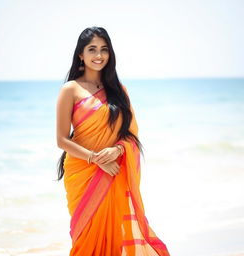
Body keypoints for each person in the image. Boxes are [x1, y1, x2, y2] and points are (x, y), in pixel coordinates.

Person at [56, 26, 171, 256]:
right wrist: (95, 158)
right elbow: (61, 140)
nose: (98, 55)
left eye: (104, 49)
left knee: (115, 236)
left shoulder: (119, 91)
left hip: (113, 170)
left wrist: (118, 150)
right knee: (86, 238)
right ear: (81, 54)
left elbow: (131, 134)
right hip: (83, 172)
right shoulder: (71, 89)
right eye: (92, 49)